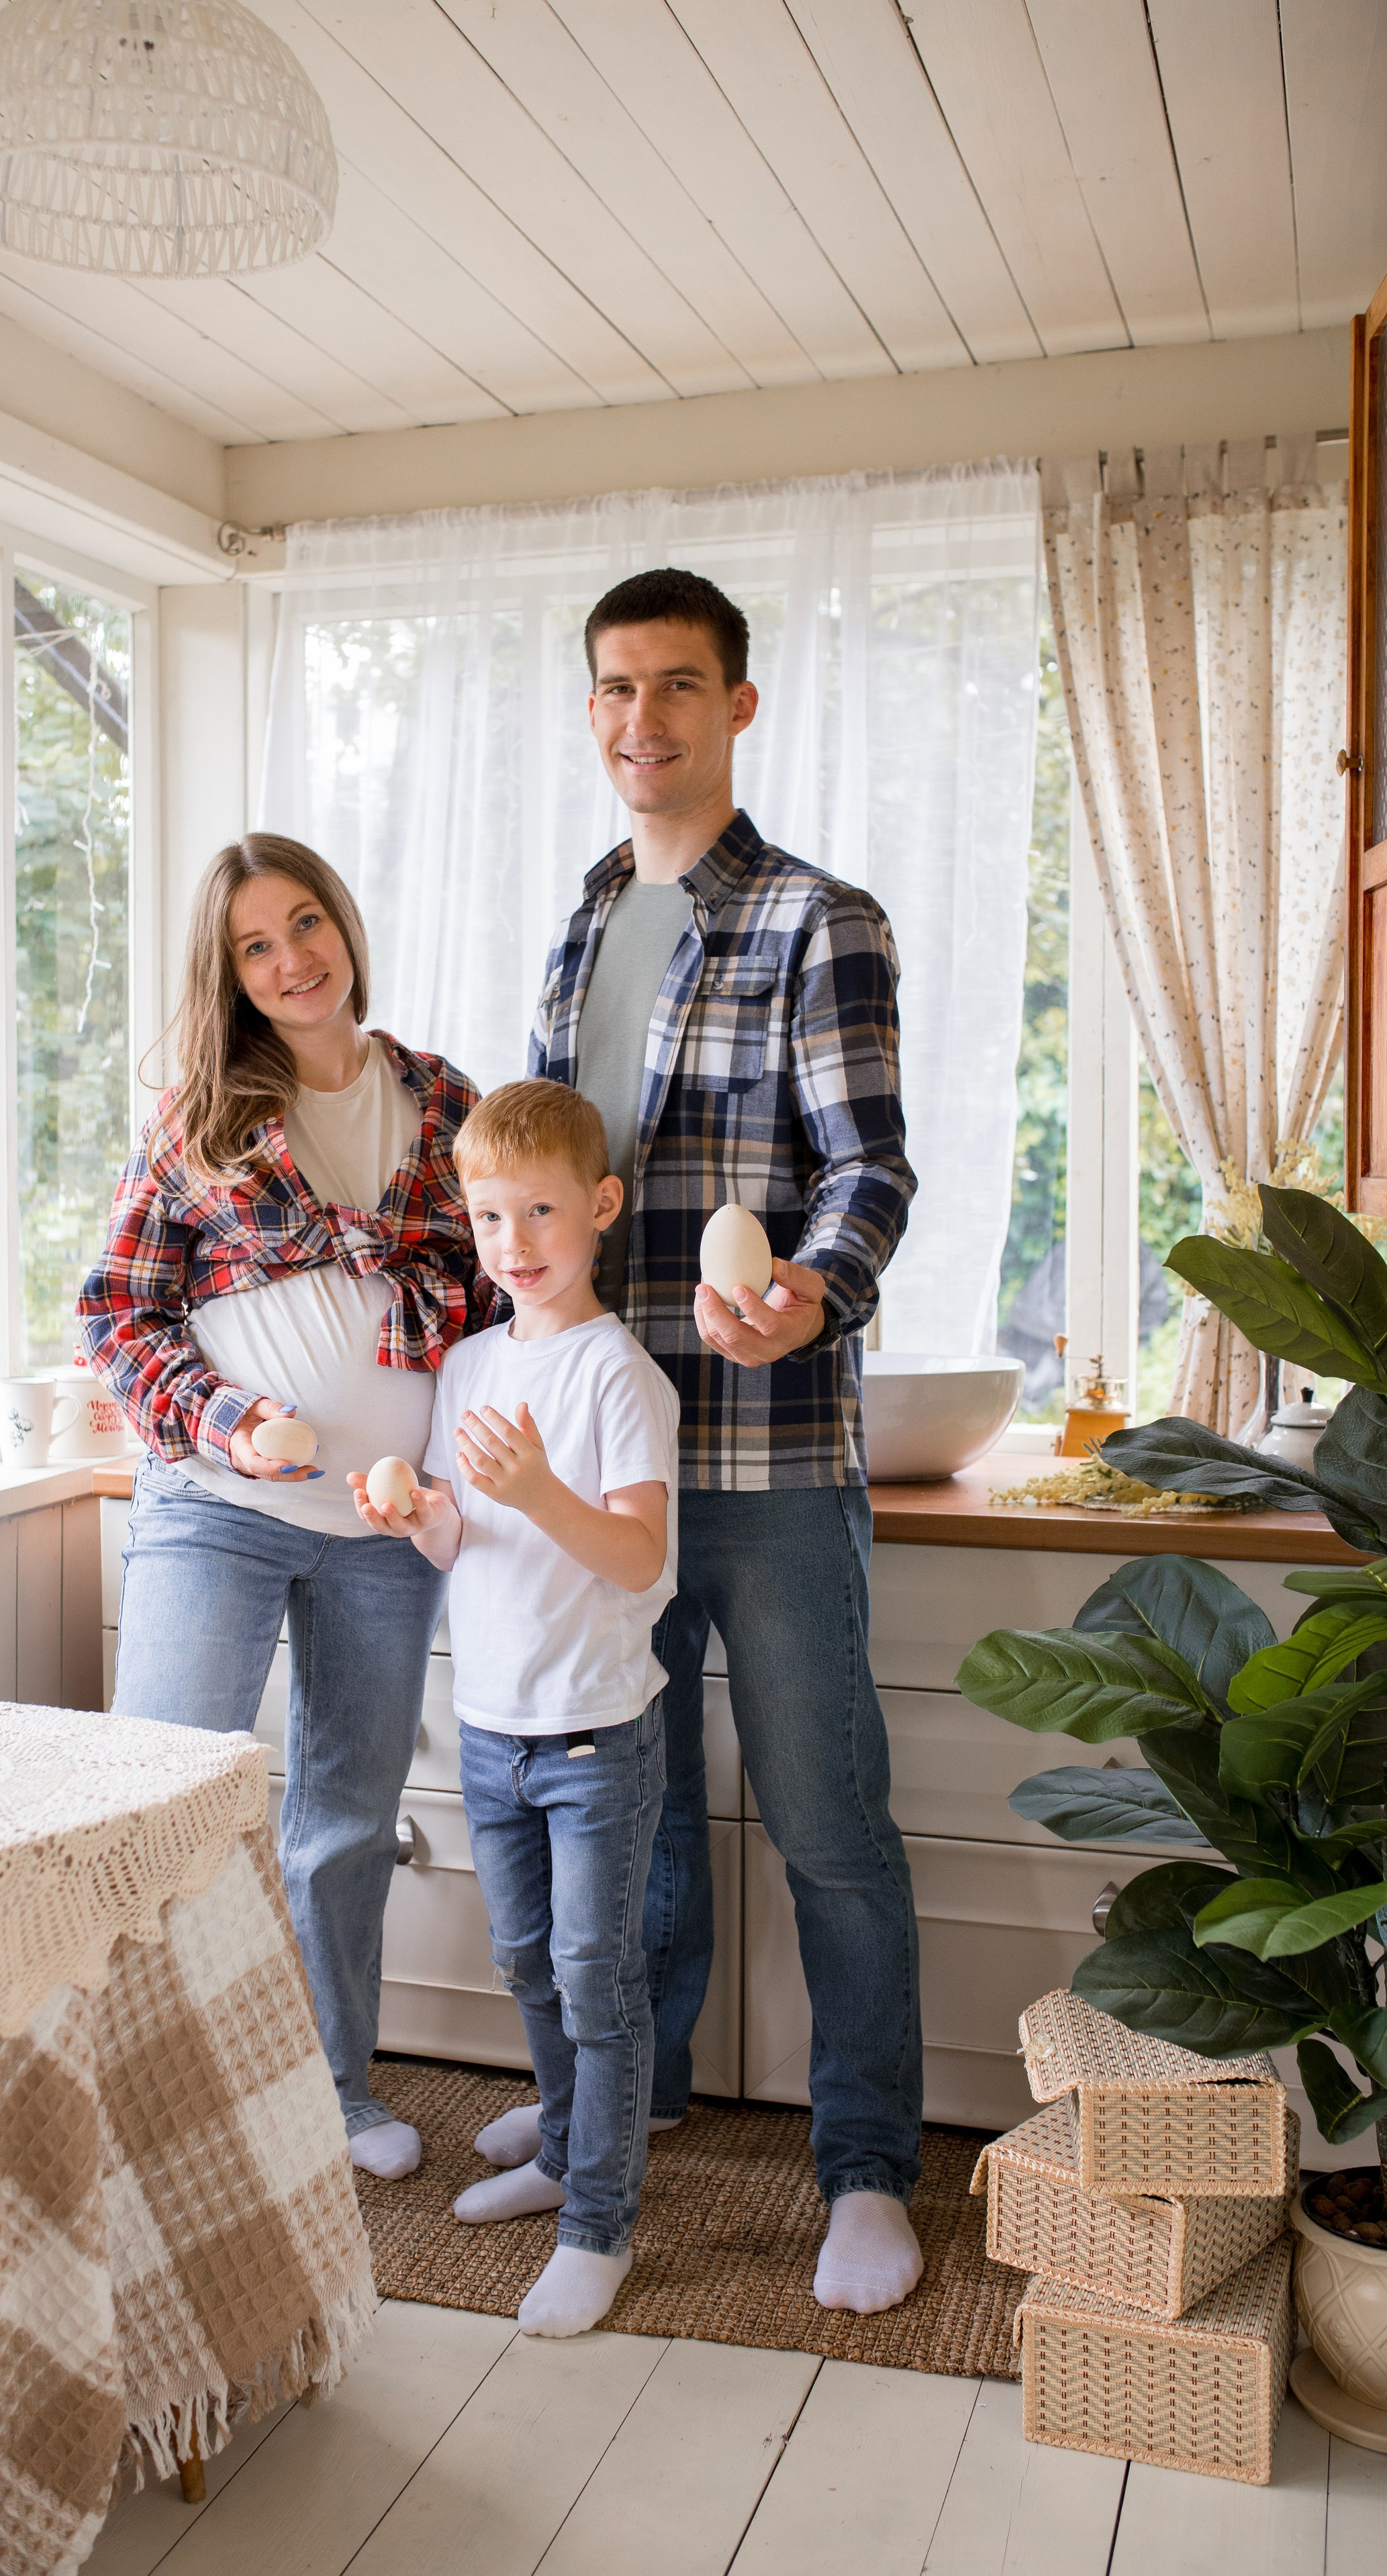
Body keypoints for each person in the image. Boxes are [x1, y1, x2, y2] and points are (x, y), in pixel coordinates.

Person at [526, 567, 925, 2316]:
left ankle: (865, 2169)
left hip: (766, 1461)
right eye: (615, 690)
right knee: (641, 1814)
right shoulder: (584, 928)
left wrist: (813, 1293)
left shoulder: (818, 919)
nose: (643, 721)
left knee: (830, 1819)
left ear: (737, 707)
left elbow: (869, 1171)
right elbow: (553, 1191)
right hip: (611, 1463)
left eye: (677, 687)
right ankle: (633, 2104)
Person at [79, 834, 489, 2183]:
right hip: (217, 1508)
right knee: (157, 1798)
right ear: (233, 973)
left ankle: (334, 2093)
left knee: (347, 1821)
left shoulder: (437, 1100)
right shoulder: (205, 1115)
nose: (291, 958)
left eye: (305, 923)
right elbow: (118, 1315)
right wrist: (229, 1419)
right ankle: (121, 2102)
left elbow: (498, 1298)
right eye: (256, 945)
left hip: (382, 1529)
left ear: (343, 925)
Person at [350, 1081, 680, 2338]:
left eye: (542, 1211)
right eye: (492, 1219)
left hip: (596, 1735)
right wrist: (414, 1509)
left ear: (597, 1209)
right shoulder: (474, 1363)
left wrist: (540, 1488)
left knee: (599, 1979)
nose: (517, 1243)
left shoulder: (616, 1376)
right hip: (493, 1729)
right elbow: (456, 1542)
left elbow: (639, 1559)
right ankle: (560, 2149)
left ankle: (601, 2218)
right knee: (532, 1963)